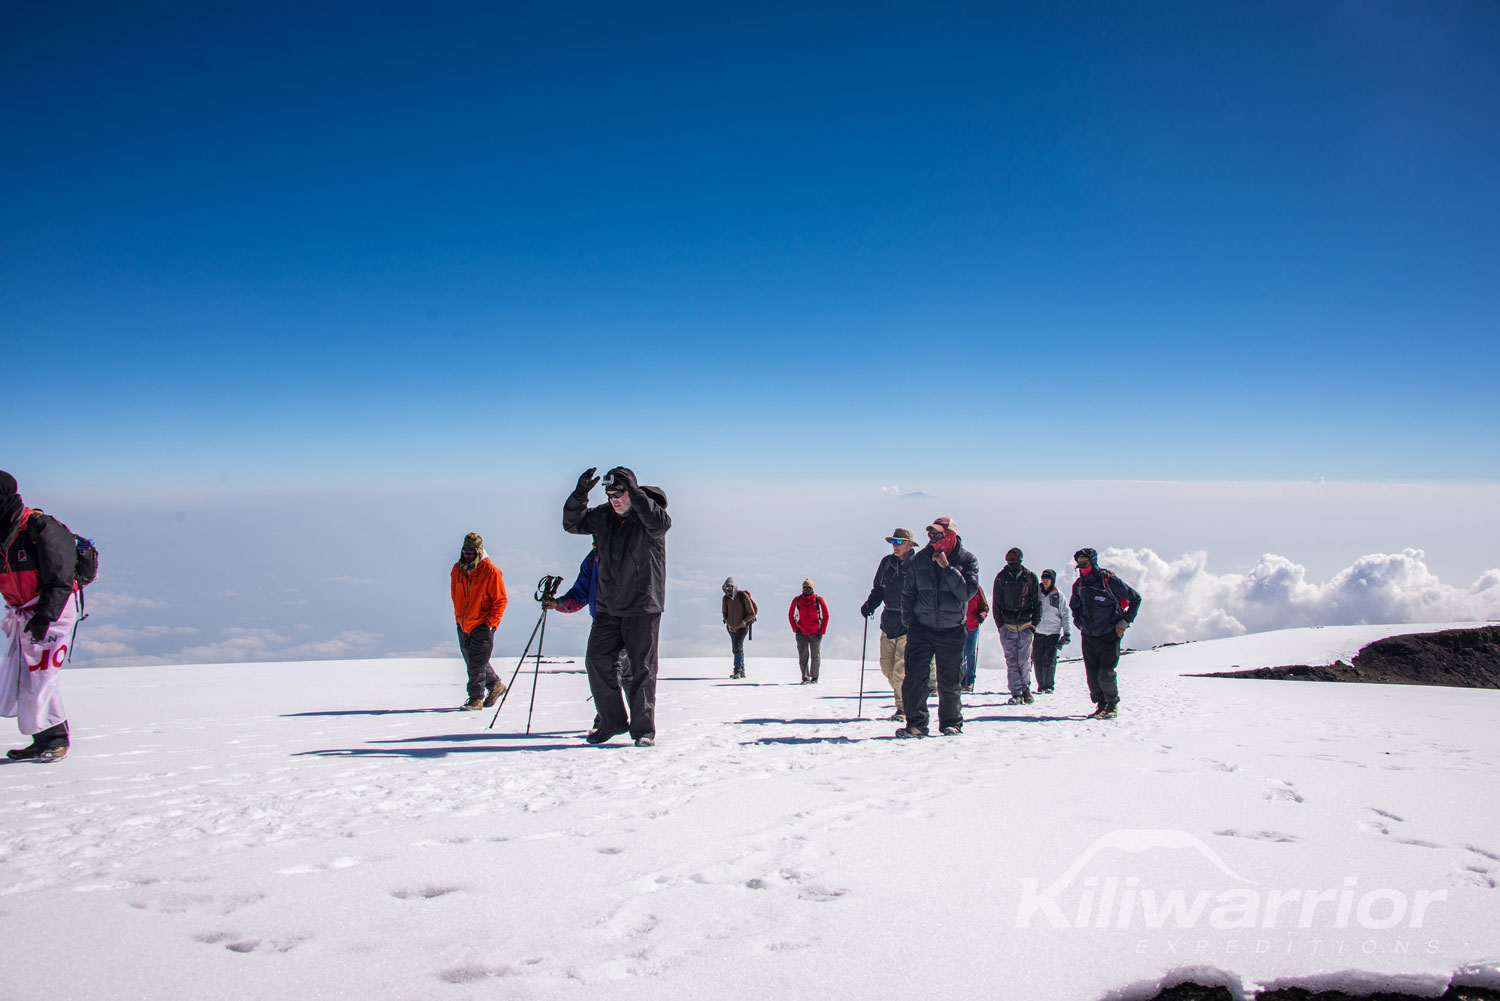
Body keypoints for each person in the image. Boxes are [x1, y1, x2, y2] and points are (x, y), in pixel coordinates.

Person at [564, 466, 670, 747]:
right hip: (608, 606)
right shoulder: (604, 516)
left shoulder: (649, 516)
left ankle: (643, 731)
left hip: (642, 606)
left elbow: (661, 524)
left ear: (631, 493)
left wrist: (635, 493)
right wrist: (580, 493)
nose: (613, 500)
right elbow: (572, 524)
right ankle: (611, 721)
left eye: (618, 494)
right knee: (596, 660)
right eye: (609, 494)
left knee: (642, 669)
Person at [1, 471, 85, 762]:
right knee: (28, 677)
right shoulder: (4, 531)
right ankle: (44, 741)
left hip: (53, 610)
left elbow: (60, 578)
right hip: (25, 611)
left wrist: (44, 616)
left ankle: (56, 740)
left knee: (40, 677)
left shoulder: (38, 526)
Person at [896, 517, 979, 738]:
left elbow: (966, 593)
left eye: (938, 534)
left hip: (952, 630)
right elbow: (908, 592)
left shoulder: (967, 560)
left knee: (949, 681)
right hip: (921, 628)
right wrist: (909, 621)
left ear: (951, 534)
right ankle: (916, 725)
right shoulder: (921, 559)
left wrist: (947, 568)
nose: (933, 538)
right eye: (931, 534)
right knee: (914, 680)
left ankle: (952, 724)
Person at [545, 541, 631, 728]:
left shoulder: (630, 551)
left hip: (628, 620)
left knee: (613, 668)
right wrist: (558, 604)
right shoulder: (593, 558)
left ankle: (611, 720)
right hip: (602, 621)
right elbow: (581, 592)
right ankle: (616, 719)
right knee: (619, 670)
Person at [859, 528, 930, 721]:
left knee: (900, 671)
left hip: (909, 625)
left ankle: (903, 709)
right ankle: (906, 700)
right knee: (886, 668)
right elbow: (878, 589)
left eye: (899, 542)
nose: (895, 546)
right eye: (893, 542)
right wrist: (870, 605)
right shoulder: (887, 563)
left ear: (909, 544)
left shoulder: (918, 565)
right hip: (888, 622)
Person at [1069, 548, 1142, 720]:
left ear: (1092, 562)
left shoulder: (1109, 581)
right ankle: (1101, 705)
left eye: (1085, 562)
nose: (1081, 566)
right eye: (1079, 563)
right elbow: (1074, 607)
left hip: (1109, 634)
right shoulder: (1079, 585)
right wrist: (1080, 623)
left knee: (1106, 673)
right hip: (1088, 636)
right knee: (1092, 676)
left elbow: (1136, 598)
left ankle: (1111, 704)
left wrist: (1125, 622)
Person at [451, 533, 508, 710]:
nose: (467, 555)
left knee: (476, 664)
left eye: (471, 552)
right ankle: (495, 684)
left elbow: (500, 600)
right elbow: (454, 593)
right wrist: (458, 618)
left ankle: (476, 699)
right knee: (473, 660)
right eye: (465, 551)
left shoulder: (490, 572)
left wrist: (490, 623)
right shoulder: (457, 569)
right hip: (463, 624)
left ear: (479, 551)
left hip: (482, 625)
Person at [994, 547, 1042, 705]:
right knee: (1011, 660)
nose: (1011, 561)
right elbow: (996, 603)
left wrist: (1034, 623)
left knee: (1024, 660)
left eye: (1014, 558)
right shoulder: (1001, 578)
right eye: (1009, 559)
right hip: (1007, 625)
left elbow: (1037, 601)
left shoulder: (1030, 577)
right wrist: (1000, 625)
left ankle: (1026, 689)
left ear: (1020, 559)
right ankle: (1016, 692)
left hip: (1025, 625)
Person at [1032, 569, 1071, 694]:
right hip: (1038, 631)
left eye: (1048, 578)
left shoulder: (1058, 596)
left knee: (1049, 659)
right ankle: (1041, 685)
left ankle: (1049, 685)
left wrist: (1067, 632)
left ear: (1052, 580)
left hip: (1053, 632)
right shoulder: (1036, 593)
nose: (1045, 580)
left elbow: (1065, 614)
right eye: (1043, 577)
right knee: (1037, 659)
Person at [787, 578, 829, 684]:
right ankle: (805, 678)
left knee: (815, 655)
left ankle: (814, 678)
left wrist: (821, 631)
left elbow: (826, 616)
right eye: (805, 587)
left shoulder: (819, 600)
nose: (806, 589)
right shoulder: (797, 600)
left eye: (809, 587)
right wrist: (796, 629)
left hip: (816, 633)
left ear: (812, 588)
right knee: (803, 656)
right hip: (801, 633)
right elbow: (791, 615)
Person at [721, 577, 757, 679]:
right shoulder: (725, 599)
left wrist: (743, 622)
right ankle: (742, 671)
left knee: (737, 647)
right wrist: (728, 623)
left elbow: (751, 613)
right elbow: (724, 612)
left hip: (743, 627)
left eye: (730, 587)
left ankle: (737, 670)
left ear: (734, 587)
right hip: (731, 628)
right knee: (737, 647)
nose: (728, 589)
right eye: (726, 587)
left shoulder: (742, 596)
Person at [961, 583, 989, 692]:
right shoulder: (957, 584)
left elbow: (984, 607)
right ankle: (962, 680)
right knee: (960, 654)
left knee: (970, 653)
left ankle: (970, 680)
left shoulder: (977, 588)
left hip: (972, 625)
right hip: (959, 626)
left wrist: (982, 615)